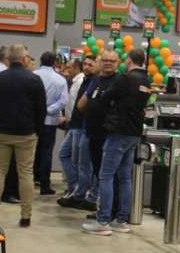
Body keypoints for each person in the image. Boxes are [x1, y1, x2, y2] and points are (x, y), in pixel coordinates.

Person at [83, 48, 150, 235]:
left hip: (119, 132)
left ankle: (103, 221)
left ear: (128, 61)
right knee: (125, 178)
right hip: (134, 133)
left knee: (106, 176)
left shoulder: (126, 79)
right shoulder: (146, 80)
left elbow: (106, 97)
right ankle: (121, 220)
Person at [0, 45, 46, 228]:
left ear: (8, 59)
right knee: (25, 173)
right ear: (24, 59)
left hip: (2, 132)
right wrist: (36, 129)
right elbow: (41, 109)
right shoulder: (34, 80)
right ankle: (26, 216)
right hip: (26, 134)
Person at [77, 51, 119, 214]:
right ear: (100, 62)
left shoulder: (119, 81)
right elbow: (81, 104)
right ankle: (101, 208)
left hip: (108, 135)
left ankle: (106, 212)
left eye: (112, 61)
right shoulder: (96, 80)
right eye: (105, 60)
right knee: (97, 171)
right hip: (93, 133)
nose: (108, 63)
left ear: (118, 63)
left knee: (107, 175)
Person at [33, 50, 70, 195]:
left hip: (33, 120)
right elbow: (63, 100)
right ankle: (44, 184)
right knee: (46, 151)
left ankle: (30, 179)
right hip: (50, 120)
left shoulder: (33, 75)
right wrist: (49, 110)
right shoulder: (60, 80)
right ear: (55, 62)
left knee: (30, 150)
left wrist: (37, 110)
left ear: (41, 60)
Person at [57, 58, 90, 205]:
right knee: (66, 155)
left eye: (69, 68)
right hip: (73, 125)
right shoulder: (76, 82)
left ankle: (77, 190)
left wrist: (69, 120)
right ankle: (74, 187)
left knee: (77, 161)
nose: (66, 71)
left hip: (77, 126)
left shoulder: (80, 81)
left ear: (76, 68)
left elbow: (77, 106)